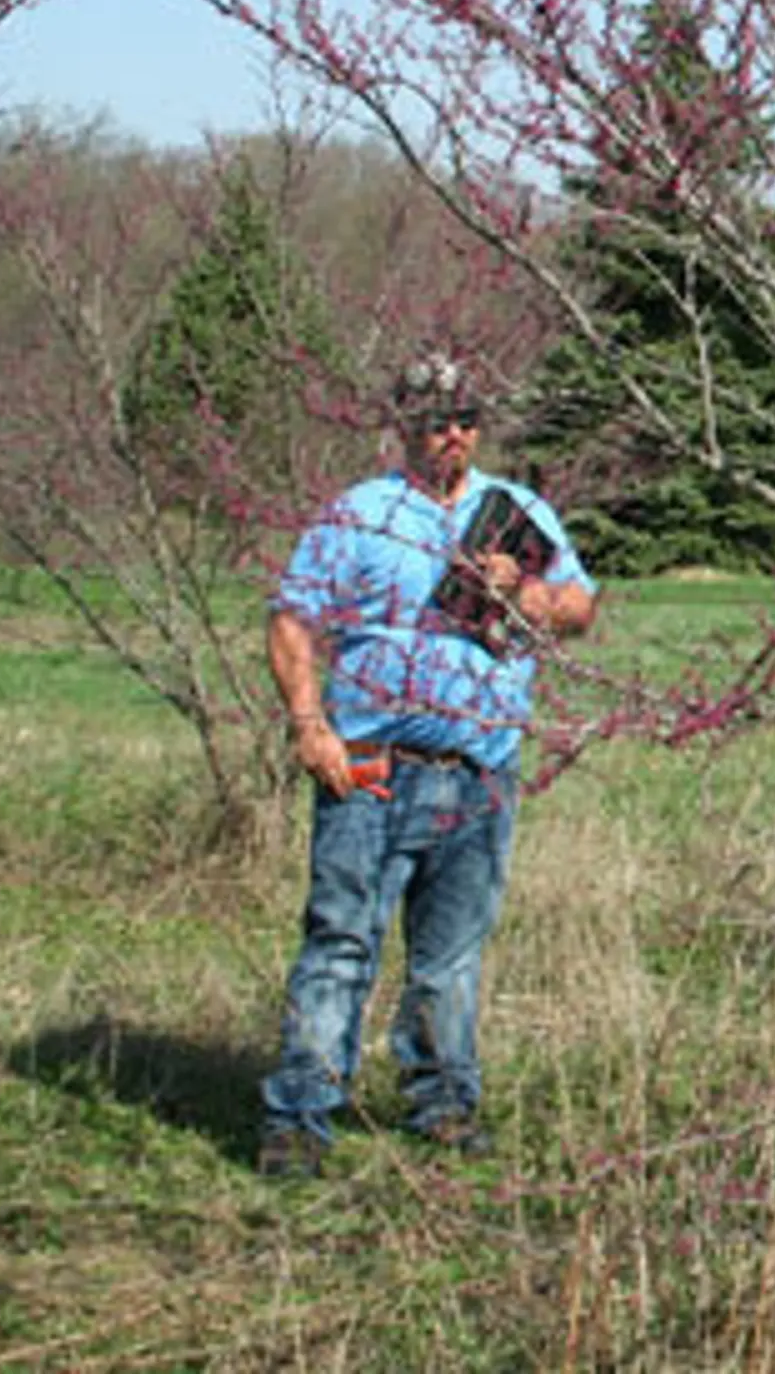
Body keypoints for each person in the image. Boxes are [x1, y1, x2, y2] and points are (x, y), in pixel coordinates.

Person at [254, 354, 599, 1179]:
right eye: (437, 418)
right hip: (372, 765)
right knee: (341, 942)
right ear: (404, 424)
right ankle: (301, 1114)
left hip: (480, 769)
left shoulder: (516, 513)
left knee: (450, 956)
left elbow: (580, 608)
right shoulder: (358, 516)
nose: (454, 433)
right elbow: (293, 622)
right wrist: (311, 727)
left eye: (467, 418)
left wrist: (528, 592)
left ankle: (443, 1104)